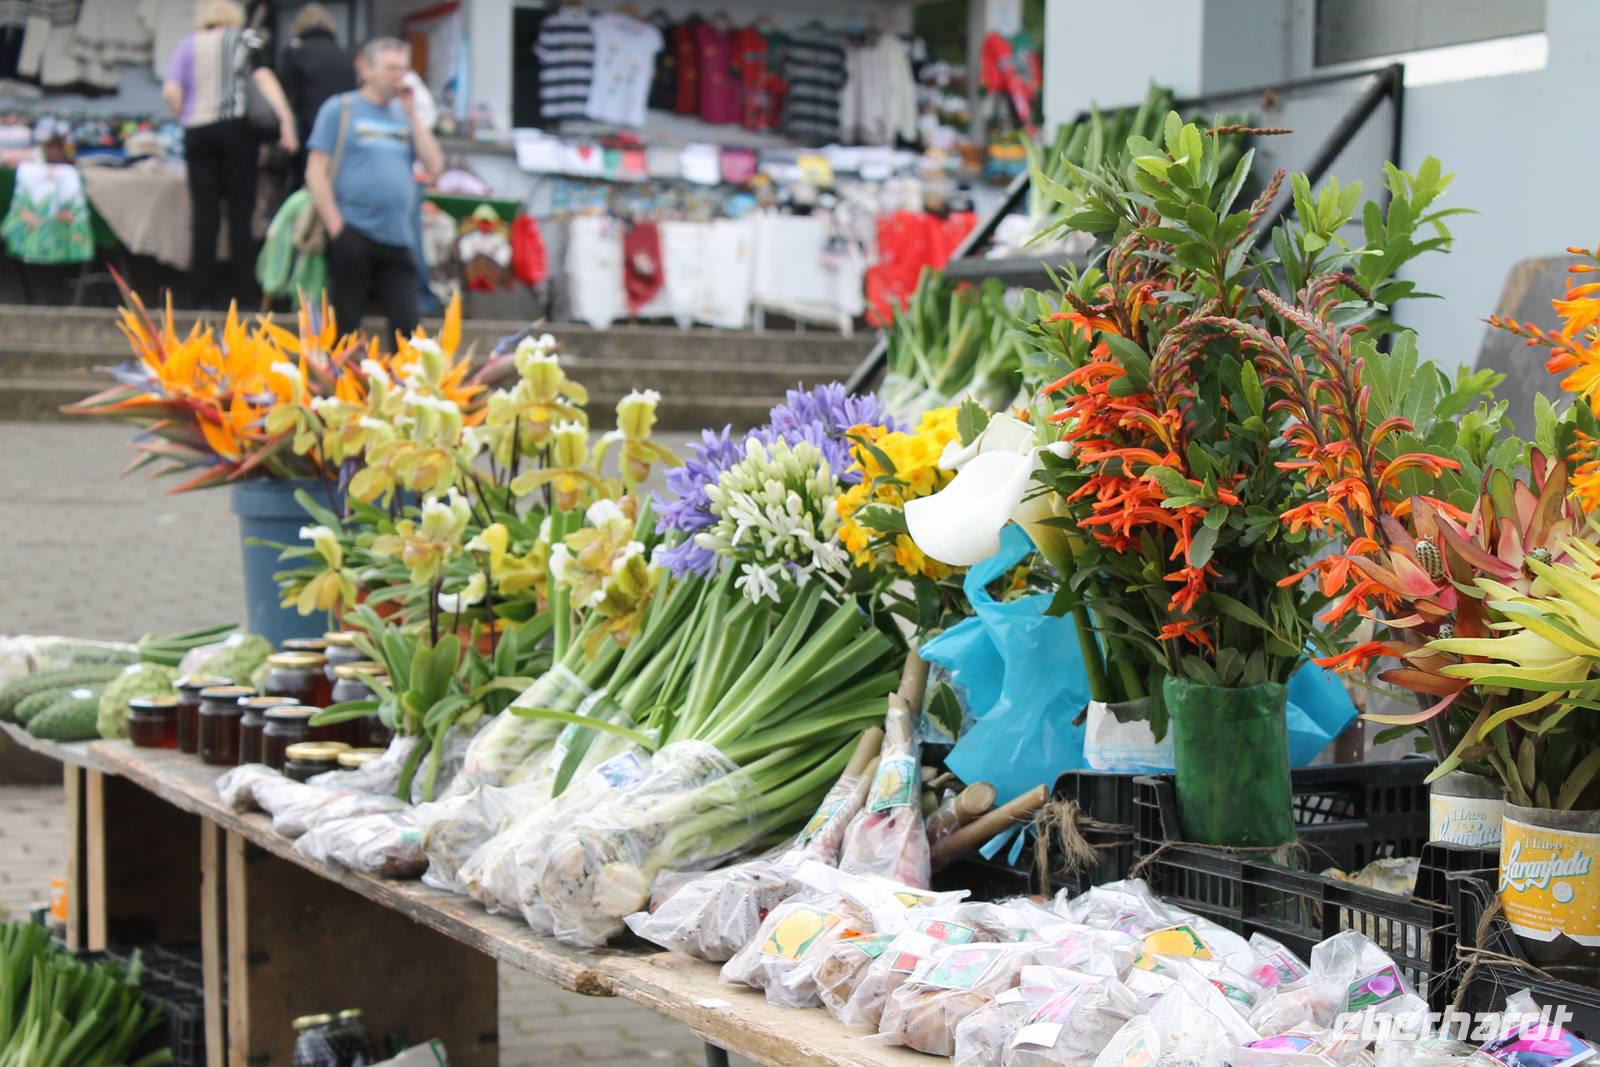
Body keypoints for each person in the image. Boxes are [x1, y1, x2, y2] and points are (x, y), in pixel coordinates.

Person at [305, 37, 443, 341]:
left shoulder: (404, 115)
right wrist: (336, 228)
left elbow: (434, 165)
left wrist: (412, 114)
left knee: (407, 330)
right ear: (365, 69)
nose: (399, 76)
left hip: (398, 236)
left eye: (403, 69)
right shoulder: (340, 109)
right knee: (347, 330)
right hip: (353, 230)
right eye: (391, 68)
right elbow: (316, 170)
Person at [163, 0, 296, 310]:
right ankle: (244, 298)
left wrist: (185, 115)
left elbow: (171, 92)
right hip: (237, 131)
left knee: (204, 217)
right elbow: (263, 79)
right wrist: (287, 123)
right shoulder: (246, 39)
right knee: (240, 215)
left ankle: (201, 299)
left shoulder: (188, 45)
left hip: (198, 131)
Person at [278, 4, 354, 190]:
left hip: (308, 130)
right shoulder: (344, 54)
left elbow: (286, 92)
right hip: (343, 130)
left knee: (305, 184)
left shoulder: (294, 52)